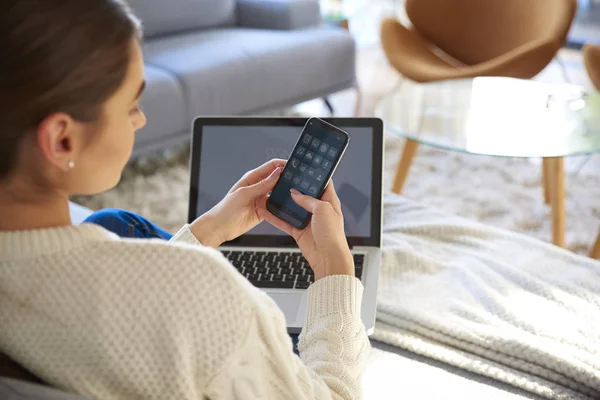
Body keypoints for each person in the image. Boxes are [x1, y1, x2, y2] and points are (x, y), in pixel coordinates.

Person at [0, 1, 370, 399]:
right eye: (131, 106)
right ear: (62, 140)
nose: (139, 121)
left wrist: (207, 231)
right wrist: (335, 271)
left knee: (115, 221)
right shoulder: (205, 294)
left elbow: (134, 318)